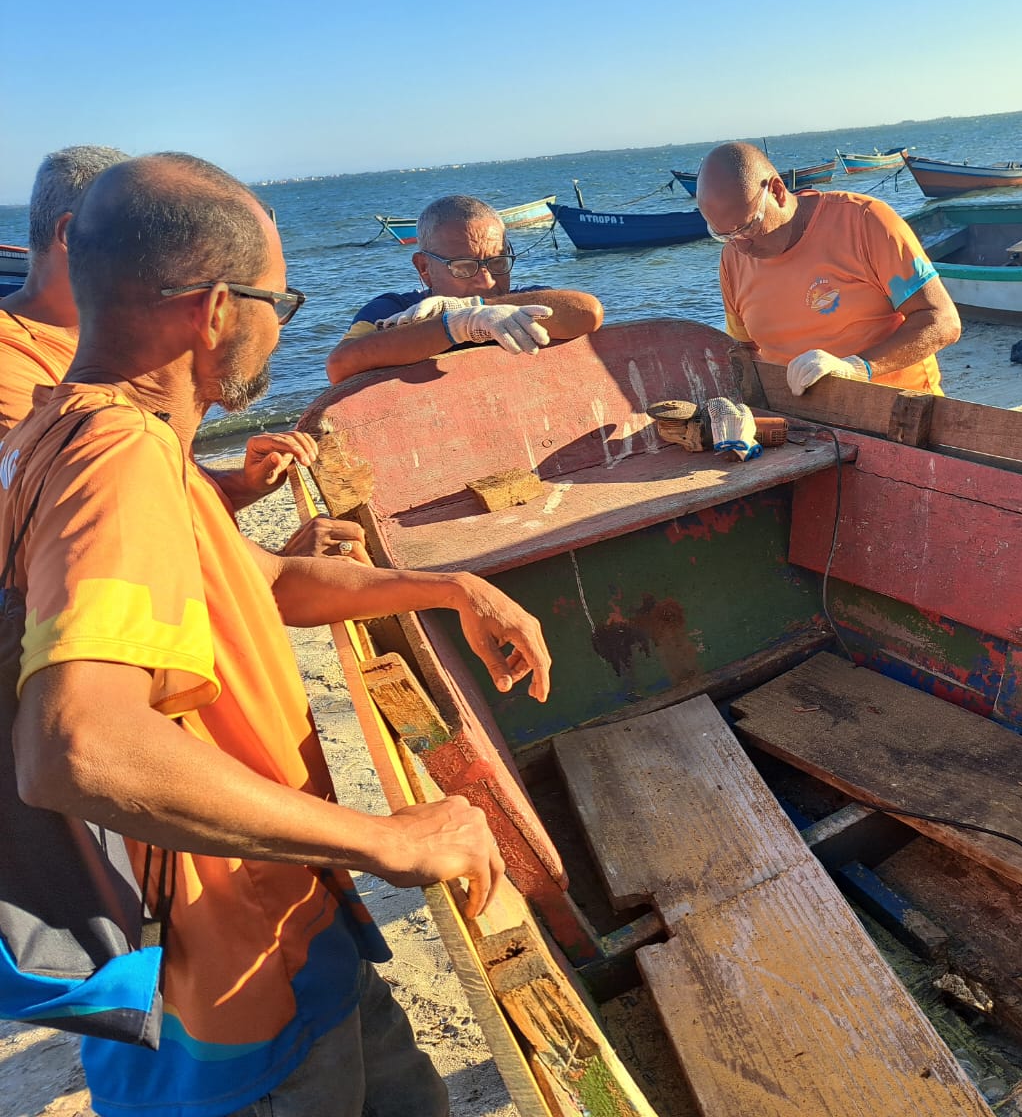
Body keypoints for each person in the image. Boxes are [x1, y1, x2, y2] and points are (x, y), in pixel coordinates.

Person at [2, 152, 555, 1117]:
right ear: (215, 309)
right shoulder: (118, 460)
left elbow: (267, 579)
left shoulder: (74, 429)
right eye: (277, 300)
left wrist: (448, 586)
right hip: (223, 1001)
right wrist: (387, 842)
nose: (281, 322)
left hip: (289, 925)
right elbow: (76, 744)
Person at [1, 146, 355, 557]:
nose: (167, 251)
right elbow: (107, 524)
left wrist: (243, 483)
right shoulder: (12, 366)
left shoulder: (114, 343)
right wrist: (278, 568)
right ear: (71, 235)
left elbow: (159, 485)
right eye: (142, 230)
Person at [696, 142, 960, 396]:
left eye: (748, 227)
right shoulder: (732, 260)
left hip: (901, 410)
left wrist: (858, 367)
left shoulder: (865, 222)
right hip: (805, 426)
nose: (741, 247)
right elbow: (744, 351)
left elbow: (942, 321)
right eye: (723, 235)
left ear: (776, 191)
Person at [326, 194, 603, 384]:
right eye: (462, 267)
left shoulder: (524, 300)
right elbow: (340, 366)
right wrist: (457, 325)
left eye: (497, 262)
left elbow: (587, 312)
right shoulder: (392, 310)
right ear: (424, 268)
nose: (487, 281)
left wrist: (468, 308)